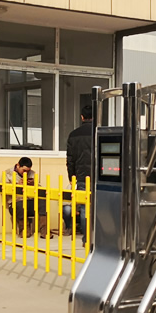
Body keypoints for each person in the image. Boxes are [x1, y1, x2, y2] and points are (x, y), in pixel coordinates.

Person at [63, 103, 93, 240]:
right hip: (99, 176)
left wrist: (71, 176)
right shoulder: (99, 132)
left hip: (81, 177)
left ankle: (86, 238)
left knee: (85, 207)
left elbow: (70, 159)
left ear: (82, 117)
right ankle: (98, 238)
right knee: (100, 207)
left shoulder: (73, 135)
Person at [7, 157, 46, 236]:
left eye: (28, 171)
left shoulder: (32, 173)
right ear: (18, 166)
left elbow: (40, 190)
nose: (26, 173)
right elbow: (5, 190)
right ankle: (24, 230)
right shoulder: (8, 174)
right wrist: (18, 185)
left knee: (42, 201)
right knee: (20, 204)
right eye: (24, 170)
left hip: (30, 201)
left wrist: (33, 184)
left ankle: (44, 230)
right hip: (16, 202)